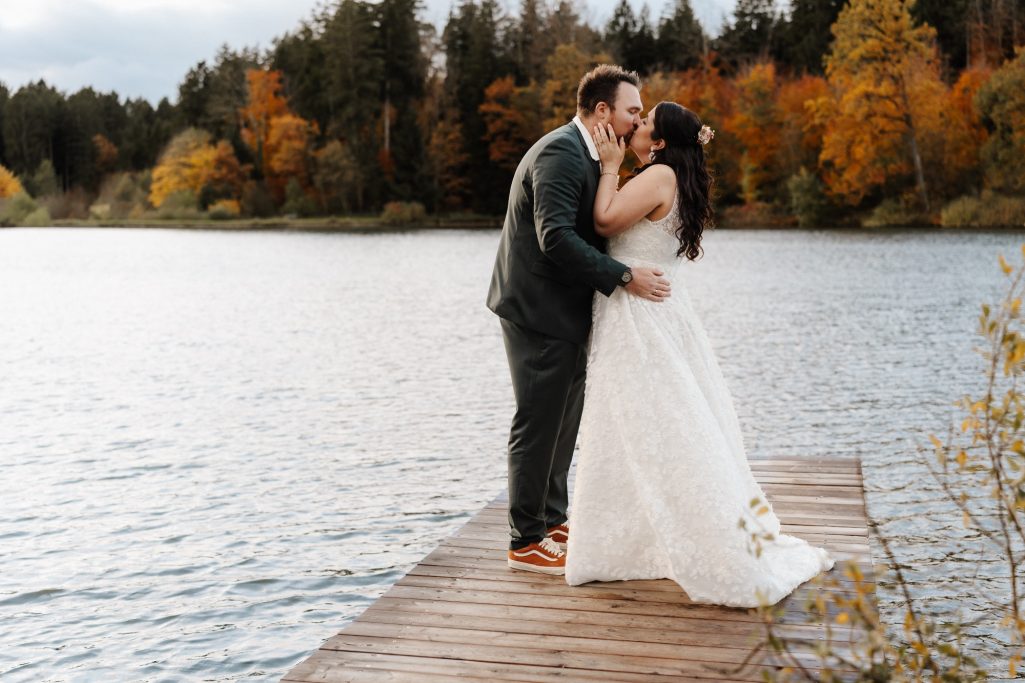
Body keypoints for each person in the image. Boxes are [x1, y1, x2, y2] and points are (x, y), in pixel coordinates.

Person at [563, 102, 835, 607]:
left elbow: (603, 221)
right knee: (647, 422)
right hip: (659, 309)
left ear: (661, 141)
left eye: (644, 124)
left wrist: (606, 167)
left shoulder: (658, 174)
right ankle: (636, 537)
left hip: (638, 313)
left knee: (646, 420)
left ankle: (648, 542)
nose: (636, 127)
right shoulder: (675, 176)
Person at [487, 65, 672, 575]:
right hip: (537, 308)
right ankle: (525, 539)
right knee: (538, 420)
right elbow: (557, 238)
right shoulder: (561, 154)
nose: (638, 120)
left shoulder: (595, 153)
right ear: (601, 112)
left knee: (564, 418)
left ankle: (552, 518)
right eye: (633, 110)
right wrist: (624, 276)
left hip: (566, 309)